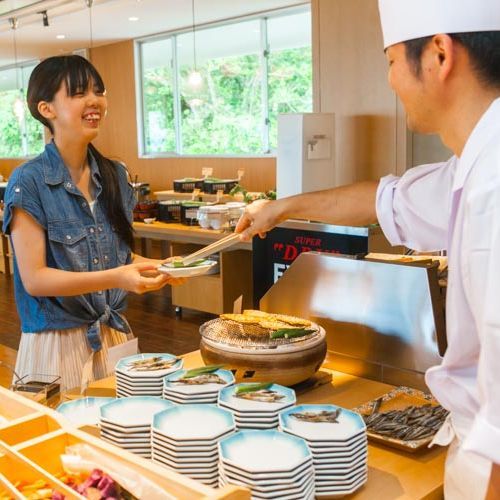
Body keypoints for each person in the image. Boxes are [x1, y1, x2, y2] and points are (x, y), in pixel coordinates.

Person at [236, 1, 500, 498]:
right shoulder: (474, 163)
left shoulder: (494, 182)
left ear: (439, 55)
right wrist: (282, 207)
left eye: (392, 60)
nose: (392, 79)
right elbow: (384, 198)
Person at [2, 55, 184, 393]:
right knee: (62, 441)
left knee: (124, 438)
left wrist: (158, 265)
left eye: (98, 91)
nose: (94, 101)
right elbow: (36, 280)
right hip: (55, 343)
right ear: (46, 109)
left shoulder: (114, 174)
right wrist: (119, 277)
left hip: (114, 334)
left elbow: (118, 259)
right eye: (78, 93)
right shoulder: (28, 181)